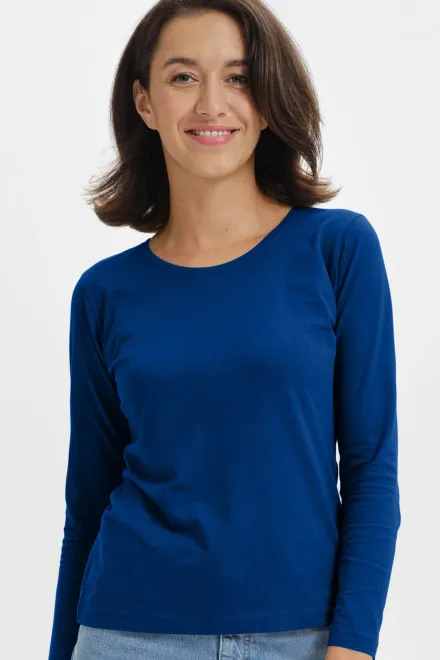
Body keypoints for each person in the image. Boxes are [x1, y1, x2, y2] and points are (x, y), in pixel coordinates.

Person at [48, 1, 401, 659]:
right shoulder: (103, 294)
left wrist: (354, 645)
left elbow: (372, 468)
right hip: (125, 632)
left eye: (238, 77)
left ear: (268, 101)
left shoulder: (337, 249)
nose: (212, 103)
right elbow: (86, 506)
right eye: (183, 77)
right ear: (145, 102)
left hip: (299, 636)